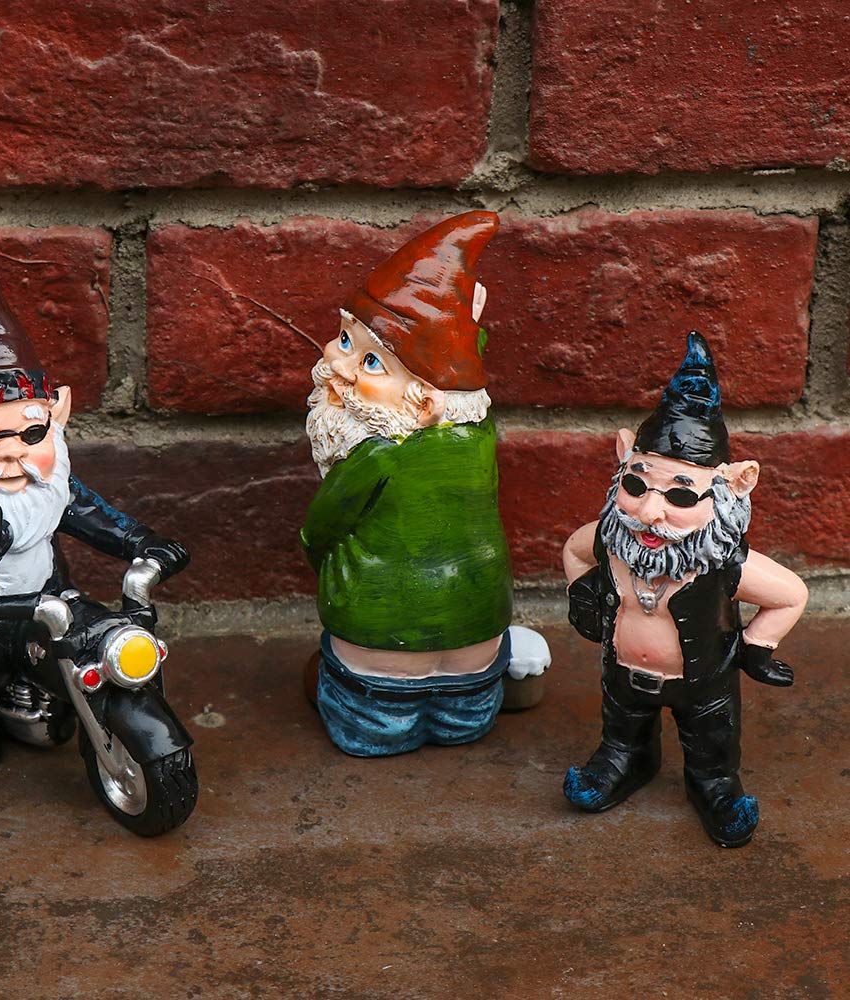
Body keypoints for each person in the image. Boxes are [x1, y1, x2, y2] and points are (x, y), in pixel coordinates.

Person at [0, 273, 189, 774]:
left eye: (32, 432)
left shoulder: (48, 489)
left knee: (88, 637)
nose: (11, 452)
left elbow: (93, 515)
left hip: (49, 596)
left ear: (59, 416)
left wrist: (143, 542)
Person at [301, 211, 550, 757]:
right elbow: (459, 375)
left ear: (425, 402)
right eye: (344, 338)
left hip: (378, 645)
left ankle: (377, 724)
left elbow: (318, 534)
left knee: (375, 724)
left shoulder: (375, 455)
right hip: (478, 636)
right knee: (463, 719)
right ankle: (465, 715)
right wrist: (469, 326)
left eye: (371, 361)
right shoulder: (480, 434)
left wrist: (333, 574)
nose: (339, 365)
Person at [562, 333, 808, 847]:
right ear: (623, 462)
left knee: (711, 745)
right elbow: (574, 550)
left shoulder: (725, 565)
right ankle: (625, 759)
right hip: (623, 676)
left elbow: (790, 594)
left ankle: (714, 786)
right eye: (636, 486)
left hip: (703, 685)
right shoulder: (611, 540)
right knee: (622, 730)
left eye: (679, 496)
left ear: (734, 486)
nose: (650, 512)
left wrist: (755, 648)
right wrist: (583, 596)